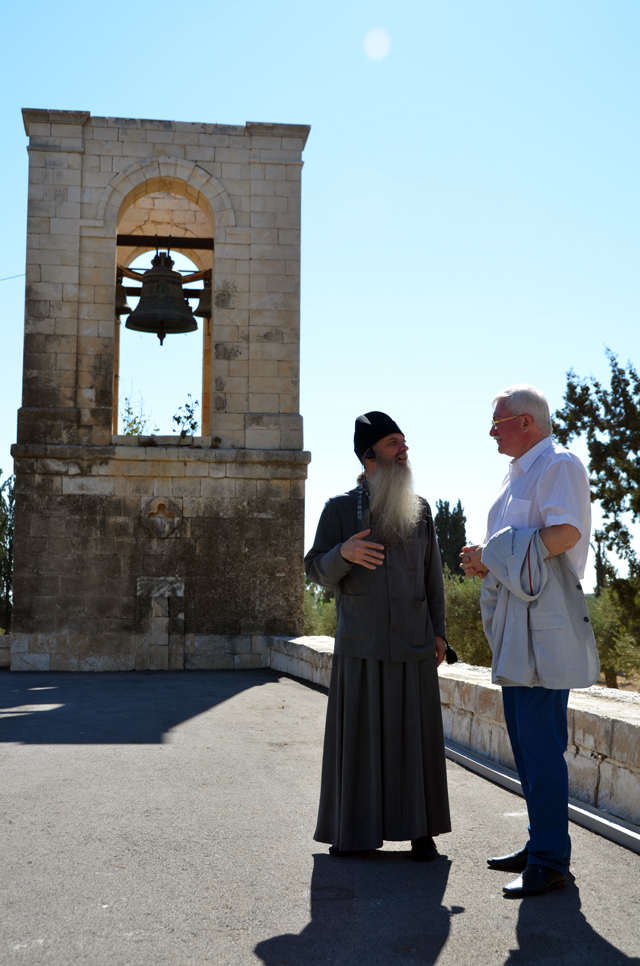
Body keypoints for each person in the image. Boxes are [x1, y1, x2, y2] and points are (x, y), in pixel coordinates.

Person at [460, 385, 599, 898]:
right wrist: (486, 560)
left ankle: (550, 859)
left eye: (497, 422)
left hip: (542, 622)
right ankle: (541, 842)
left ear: (526, 422)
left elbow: (565, 535)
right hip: (518, 621)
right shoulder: (516, 475)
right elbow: (519, 549)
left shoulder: (559, 465)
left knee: (541, 745)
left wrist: (495, 554)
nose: (491, 432)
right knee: (525, 743)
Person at [305, 411, 451, 860]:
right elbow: (315, 570)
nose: (404, 450)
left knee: (414, 742)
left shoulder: (421, 511)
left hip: (413, 644)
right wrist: (343, 553)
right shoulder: (338, 509)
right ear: (368, 454)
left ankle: (421, 833)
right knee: (360, 745)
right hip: (361, 646)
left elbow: (433, 578)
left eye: (404, 442)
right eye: (393, 443)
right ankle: (355, 834)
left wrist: (440, 634)